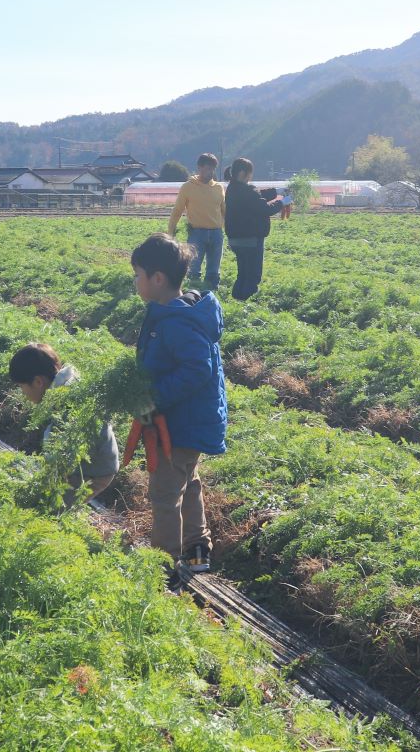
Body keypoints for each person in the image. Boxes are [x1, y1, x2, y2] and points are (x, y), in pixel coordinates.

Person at [132, 234, 227, 573]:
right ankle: (197, 550)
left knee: (165, 494)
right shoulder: (170, 313)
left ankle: (165, 565)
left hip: (180, 424)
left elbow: (197, 369)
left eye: (137, 275)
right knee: (188, 483)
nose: (135, 281)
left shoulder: (176, 323)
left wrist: (155, 396)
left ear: (157, 279)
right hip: (191, 420)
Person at [8, 342, 120, 504]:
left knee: (47, 509)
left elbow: (65, 454)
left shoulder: (69, 400)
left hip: (92, 471)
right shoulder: (62, 387)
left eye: (21, 386)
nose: (22, 393)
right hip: (86, 464)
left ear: (38, 382)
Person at [224, 157, 291, 301]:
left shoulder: (233, 188)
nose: (250, 177)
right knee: (253, 276)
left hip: (236, 240)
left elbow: (257, 196)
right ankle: (246, 305)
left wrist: (277, 191)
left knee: (243, 274)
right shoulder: (246, 191)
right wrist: (282, 202)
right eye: (250, 173)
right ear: (243, 173)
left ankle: (237, 301)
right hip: (250, 240)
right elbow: (264, 209)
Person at [167, 153, 226, 290]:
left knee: (213, 270)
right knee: (193, 269)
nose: (211, 172)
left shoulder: (219, 188)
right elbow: (177, 211)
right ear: (199, 168)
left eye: (213, 169)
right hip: (197, 233)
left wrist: (226, 229)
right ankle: (193, 294)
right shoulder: (188, 187)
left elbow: (224, 211)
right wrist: (170, 232)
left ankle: (211, 294)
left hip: (216, 233)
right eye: (208, 168)